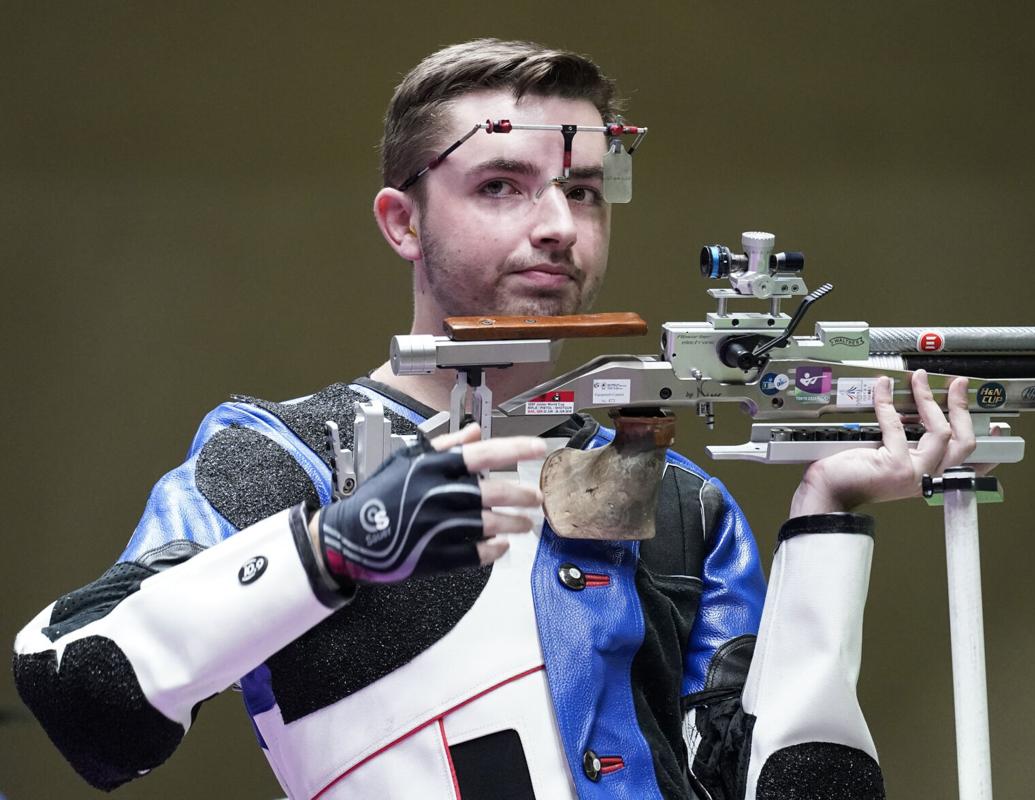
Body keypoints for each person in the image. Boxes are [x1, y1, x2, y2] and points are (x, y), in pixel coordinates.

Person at [12, 39, 977, 800]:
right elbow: (84, 689)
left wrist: (828, 524)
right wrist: (338, 550)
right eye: (502, 186)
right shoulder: (294, 459)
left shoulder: (684, 504)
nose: (559, 223)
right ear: (402, 220)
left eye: (585, 190)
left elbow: (782, 785)